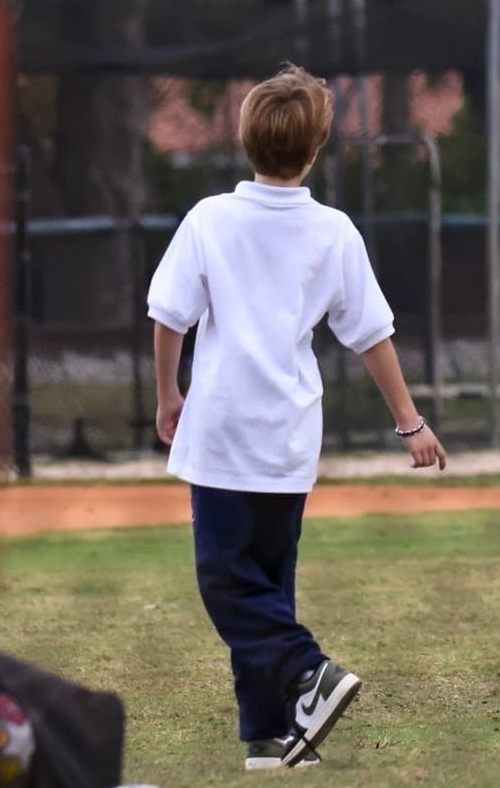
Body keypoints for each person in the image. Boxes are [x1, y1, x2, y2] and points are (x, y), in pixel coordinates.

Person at [147, 63, 447, 770]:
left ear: (244, 141)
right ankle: (270, 735)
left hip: (222, 433)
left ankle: (309, 670)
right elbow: (370, 332)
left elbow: (168, 316)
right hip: (287, 438)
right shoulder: (333, 231)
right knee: (267, 579)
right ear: (315, 152)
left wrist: (168, 393)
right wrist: (410, 421)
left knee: (225, 578)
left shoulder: (210, 220)